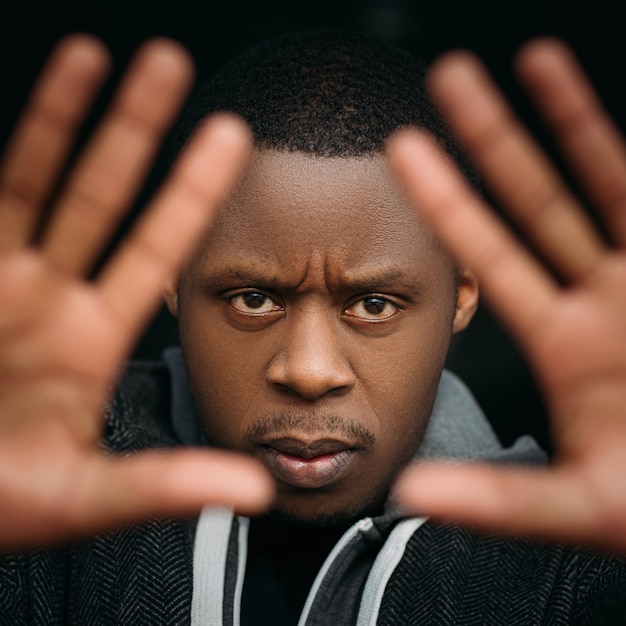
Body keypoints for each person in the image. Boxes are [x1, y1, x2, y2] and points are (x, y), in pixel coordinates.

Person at [1, 28, 626, 624]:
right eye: (253, 299)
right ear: (172, 279)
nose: (308, 371)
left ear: (461, 297)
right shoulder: (39, 478)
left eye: (374, 306)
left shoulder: (570, 552)